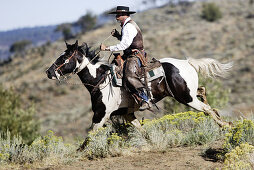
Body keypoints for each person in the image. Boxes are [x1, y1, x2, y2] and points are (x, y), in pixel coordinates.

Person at [100, 6, 152, 111]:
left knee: (129, 76)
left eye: (118, 15)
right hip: (130, 53)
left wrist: (107, 48)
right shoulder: (126, 25)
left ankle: (144, 99)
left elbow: (123, 45)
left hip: (135, 55)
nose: (116, 17)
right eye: (117, 15)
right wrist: (118, 36)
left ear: (125, 15)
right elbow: (128, 41)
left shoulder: (129, 26)